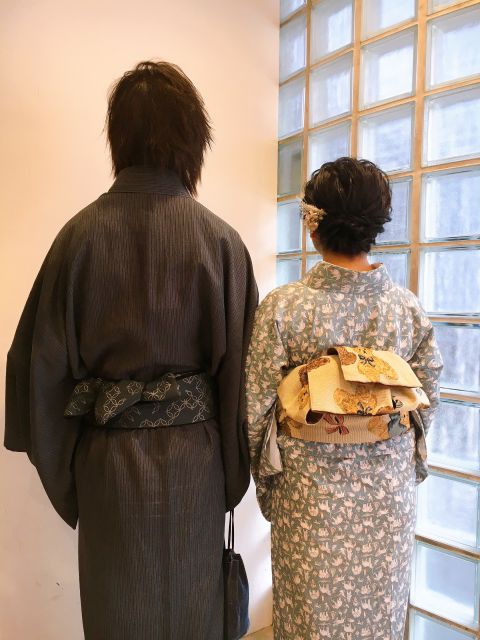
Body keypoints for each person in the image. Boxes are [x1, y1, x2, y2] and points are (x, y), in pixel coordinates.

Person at [5, 60, 258, 640]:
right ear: (193, 140)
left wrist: (73, 475)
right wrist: (229, 475)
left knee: (118, 615)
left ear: (117, 138)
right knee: (194, 614)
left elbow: (36, 371)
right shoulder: (221, 242)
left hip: (109, 469)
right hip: (197, 464)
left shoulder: (78, 238)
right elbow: (243, 380)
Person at [246, 157, 443, 640]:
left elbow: (255, 408)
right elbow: (427, 394)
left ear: (313, 225)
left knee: (310, 616)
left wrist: (269, 483)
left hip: (310, 494)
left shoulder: (285, 307)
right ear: (375, 227)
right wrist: (403, 461)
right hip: (387, 491)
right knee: (380, 613)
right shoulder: (405, 308)